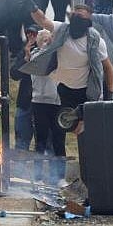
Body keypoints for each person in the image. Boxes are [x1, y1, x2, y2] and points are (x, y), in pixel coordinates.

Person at [20, 0, 113, 135]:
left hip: (87, 90)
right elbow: (43, 21)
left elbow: (108, 68)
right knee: (72, 128)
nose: (77, 18)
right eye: (74, 15)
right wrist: (33, 8)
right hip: (64, 87)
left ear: (88, 22)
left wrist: (111, 94)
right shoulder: (61, 29)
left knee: (89, 129)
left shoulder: (96, 41)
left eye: (81, 16)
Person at [29, 30, 66, 186]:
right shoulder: (35, 55)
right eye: (42, 39)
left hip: (57, 102)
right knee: (41, 140)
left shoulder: (59, 55)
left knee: (59, 140)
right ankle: (38, 177)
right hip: (39, 101)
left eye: (48, 38)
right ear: (37, 41)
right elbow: (41, 67)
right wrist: (46, 47)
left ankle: (59, 177)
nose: (46, 41)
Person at [10, 24, 41, 150]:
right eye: (28, 34)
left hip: (43, 103)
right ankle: (19, 170)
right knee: (21, 142)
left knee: (43, 143)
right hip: (24, 102)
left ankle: (41, 170)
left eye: (34, 34)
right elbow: (14, 74)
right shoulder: (24, 52)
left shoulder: (49, 51)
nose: (30, 37)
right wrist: (26, 58)